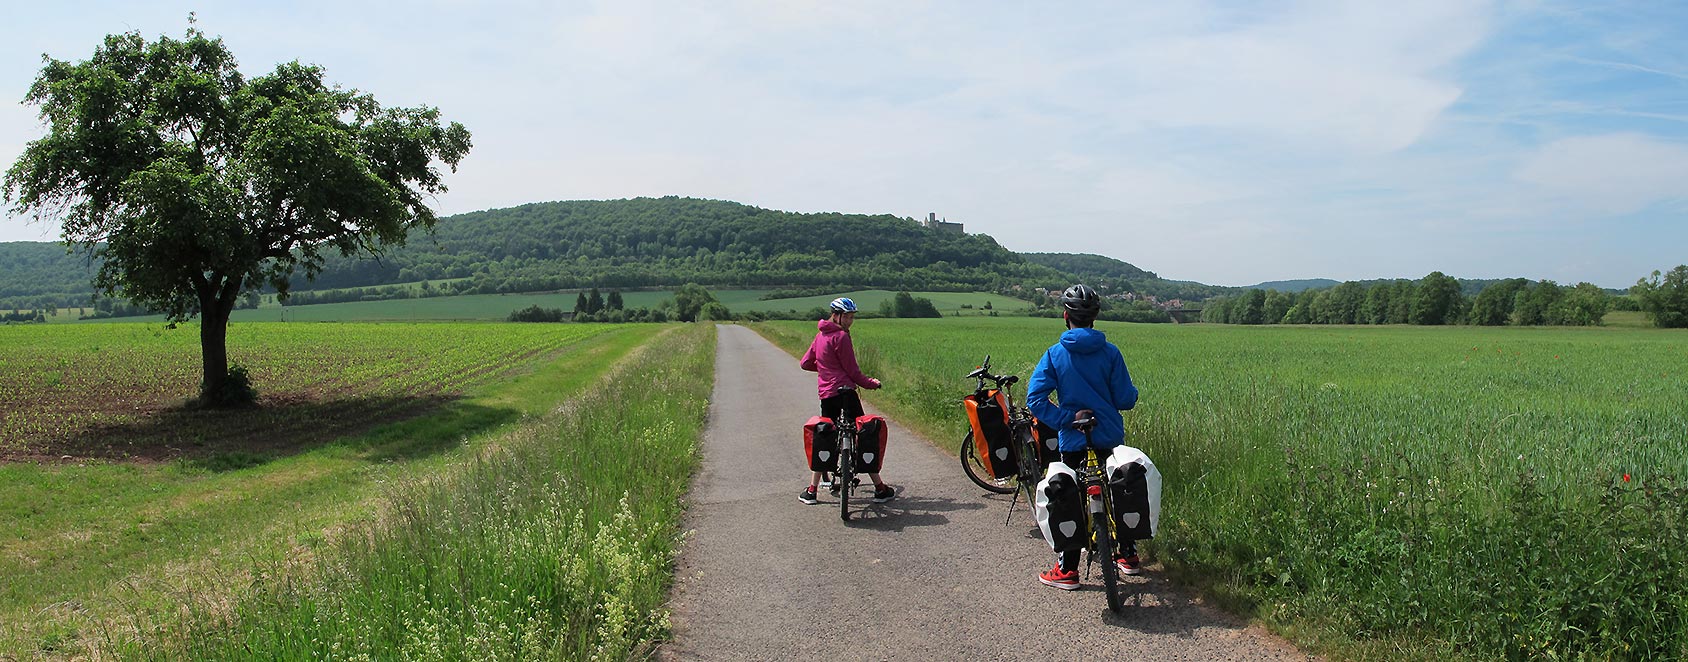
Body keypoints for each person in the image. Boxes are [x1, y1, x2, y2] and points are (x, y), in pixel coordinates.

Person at [1025, 284, 1141, 590]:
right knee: (1118, 488)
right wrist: (1130, 393)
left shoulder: (1054, 355)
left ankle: (1067, 570)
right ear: (1094, 318)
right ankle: (1128, 555)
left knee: (1071, 496)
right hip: (1109, 437)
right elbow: (1126, 399)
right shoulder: (1110, 353)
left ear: (1066, 317)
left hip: (1075, 440)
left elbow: (1035, 400)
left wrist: (1066, 419)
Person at [798, 297, 895, 505]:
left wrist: (825, 369)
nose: (850, 321)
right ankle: (879, 488)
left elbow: (805, 363)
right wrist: (871, 383)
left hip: (826, 394)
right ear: (836, 315)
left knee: (825, 435)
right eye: (847, 317)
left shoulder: (820, 336)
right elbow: (853, 371)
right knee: (864, 434)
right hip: (845, 393)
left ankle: (812, 490)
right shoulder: (841, 337)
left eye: (852, 317)